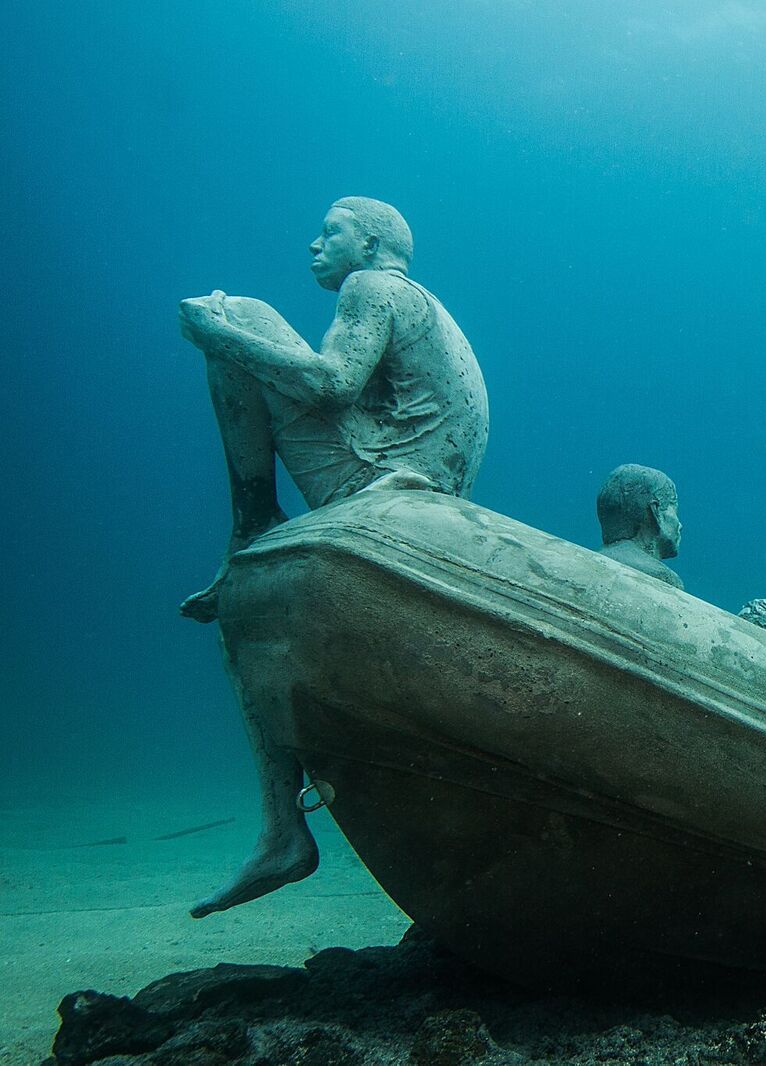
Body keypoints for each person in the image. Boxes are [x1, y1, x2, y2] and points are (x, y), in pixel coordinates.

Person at [177, 197, 489, 918]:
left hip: (378, 481)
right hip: (422, 486)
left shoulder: (372, 287)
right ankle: (284, 831)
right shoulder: (422, 304)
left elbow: (330, 383)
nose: (314, 245)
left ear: (372, 241)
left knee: (236, 313)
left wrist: (213, 335)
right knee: (232, 324)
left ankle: (250, 524)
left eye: (331, 233)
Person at [596, 464, 683, 589]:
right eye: (674, 510)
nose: (680, 525)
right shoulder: (663, 578)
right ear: (656, 512)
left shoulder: (591, 561)